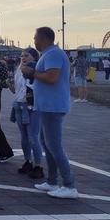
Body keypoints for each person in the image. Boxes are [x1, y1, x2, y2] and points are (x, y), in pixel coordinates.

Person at [22, 27, 78, 199]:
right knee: (47, 144)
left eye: (35, 37)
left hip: (53, 107)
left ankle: (69, 185)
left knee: (54, 145)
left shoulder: (53, 54)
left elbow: (52, 77)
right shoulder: (50, 54)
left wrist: (31, 72)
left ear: (44, 38)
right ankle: (52, 181)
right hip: (47, 106)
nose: (34, 41)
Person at [11, 47, 44, 179]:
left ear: (34, 58)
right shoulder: (18, 70)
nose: (23, 57)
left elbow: (35, 87)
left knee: (33, 137)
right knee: (24, 137)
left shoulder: (35, 69)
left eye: (26, 55)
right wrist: (10, 86)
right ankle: (28, 161)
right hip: (19, 105)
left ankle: (38, 166)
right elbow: (17, 90)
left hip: (32, 106)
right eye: (22, 55)